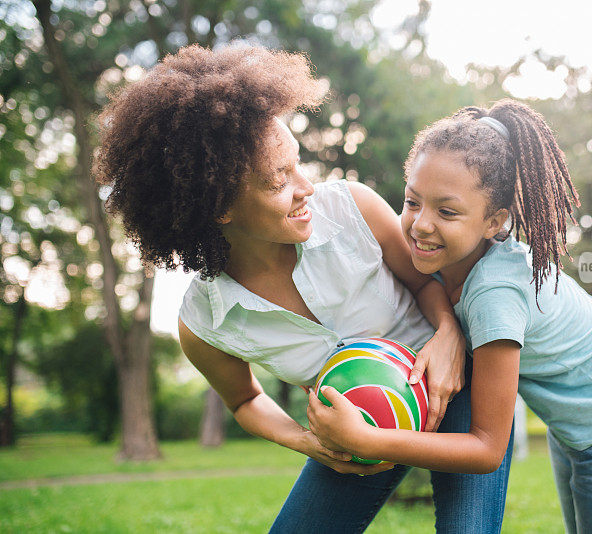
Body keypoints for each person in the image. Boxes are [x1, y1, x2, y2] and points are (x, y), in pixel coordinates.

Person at [93, 44, 513, 533]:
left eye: (297, 165)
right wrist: (310, 441)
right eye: (278, 180)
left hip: (452, 386)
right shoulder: (203, 321)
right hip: (350, 429)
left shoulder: (353, 208)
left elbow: (424, 281)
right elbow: (245, 402)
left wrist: (448, 334)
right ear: (219, 206)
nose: (305, 188)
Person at [308, 99, 592, 533]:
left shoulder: (495, 293)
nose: (420, 224)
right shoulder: (443, 261)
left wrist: (367, 440)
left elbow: (487, 449)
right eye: (412, 202)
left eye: (447, 211)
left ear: (494, 222)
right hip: (576, 417)